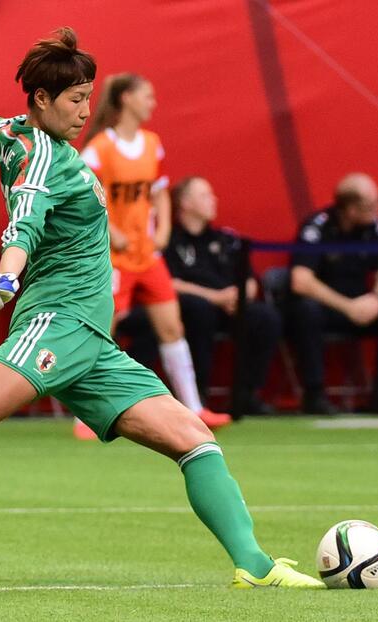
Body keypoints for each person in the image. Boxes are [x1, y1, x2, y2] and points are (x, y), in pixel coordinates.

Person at [0, 28, 321, 588]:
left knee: (193, 439)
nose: (86, 111)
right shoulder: (44, 158)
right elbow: (26, 216)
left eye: (89, 96)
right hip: (58, 320)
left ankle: (255, 567)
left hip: (90, 340)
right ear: (41, 99)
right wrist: (8, 275)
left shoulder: (15, 135)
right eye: (75, 99)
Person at [79, 73, 231, 437]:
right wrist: (110, 229)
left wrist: (162, 229)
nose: (153, 102)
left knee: (172, 327)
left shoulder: (152, 143)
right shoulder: (100, 148)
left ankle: (194, 408)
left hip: (146, 255)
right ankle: (85, 414)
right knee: (103, 330)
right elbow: (82, 191)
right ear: (127, 98)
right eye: (148, 96)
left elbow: (160, 191)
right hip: (113, 258)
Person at [289, 173, 378, 415]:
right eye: (371, 206)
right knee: (306, 312)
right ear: (351, 209)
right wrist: (346, 306)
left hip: (362, 305)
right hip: (328, 305)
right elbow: (300, 281)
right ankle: (314, 395)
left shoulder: (372, 228)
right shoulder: (317, 227)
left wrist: (377, 299)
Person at [164, 176, 282, 414]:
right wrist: (213, 297)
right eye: (205, 195)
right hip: (193, 308)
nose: (213, 200)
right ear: (185, 203)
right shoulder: (170, 240)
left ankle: (247, 393)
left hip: (230, 306)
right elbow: (168, 283)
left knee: (265, 317)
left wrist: (238, 296)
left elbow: (249, 279)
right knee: (199, 311)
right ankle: (197, 394)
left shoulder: (226, 238)